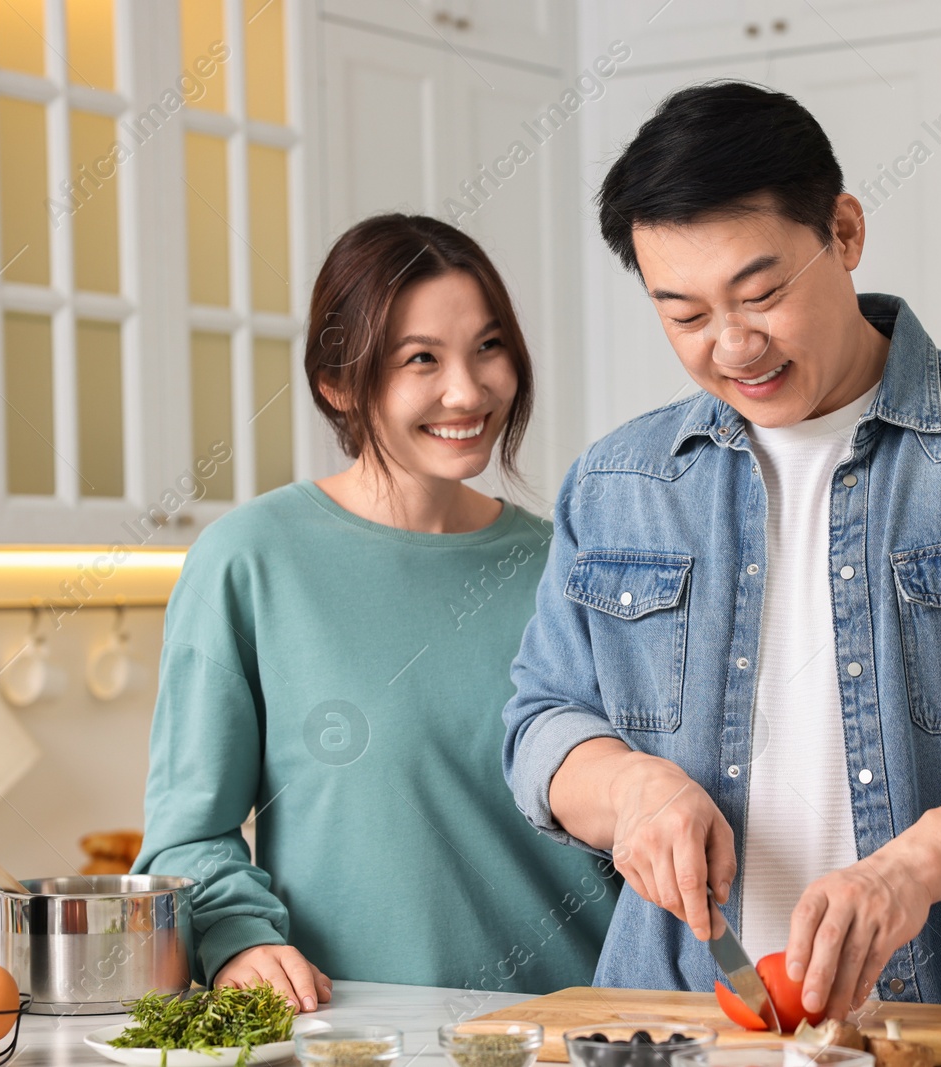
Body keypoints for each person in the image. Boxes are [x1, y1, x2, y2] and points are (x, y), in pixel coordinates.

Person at [502, 82, 941, 1015]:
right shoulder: (617, 484)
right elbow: (542, 724)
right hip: (682, 1021)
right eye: (684, 315)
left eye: (762, 292)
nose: (733, 346)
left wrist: (909, 873)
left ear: (845, 233)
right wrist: (632, 790)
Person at [135, 214, 617, 1009]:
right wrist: (241, 938)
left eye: (488, 346)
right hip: (363, 1033)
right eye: (420, 359)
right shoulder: (251, 560)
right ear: (337, 382)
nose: (468, 389)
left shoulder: (571, 563)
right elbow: (188, 836)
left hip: (577, 1030)